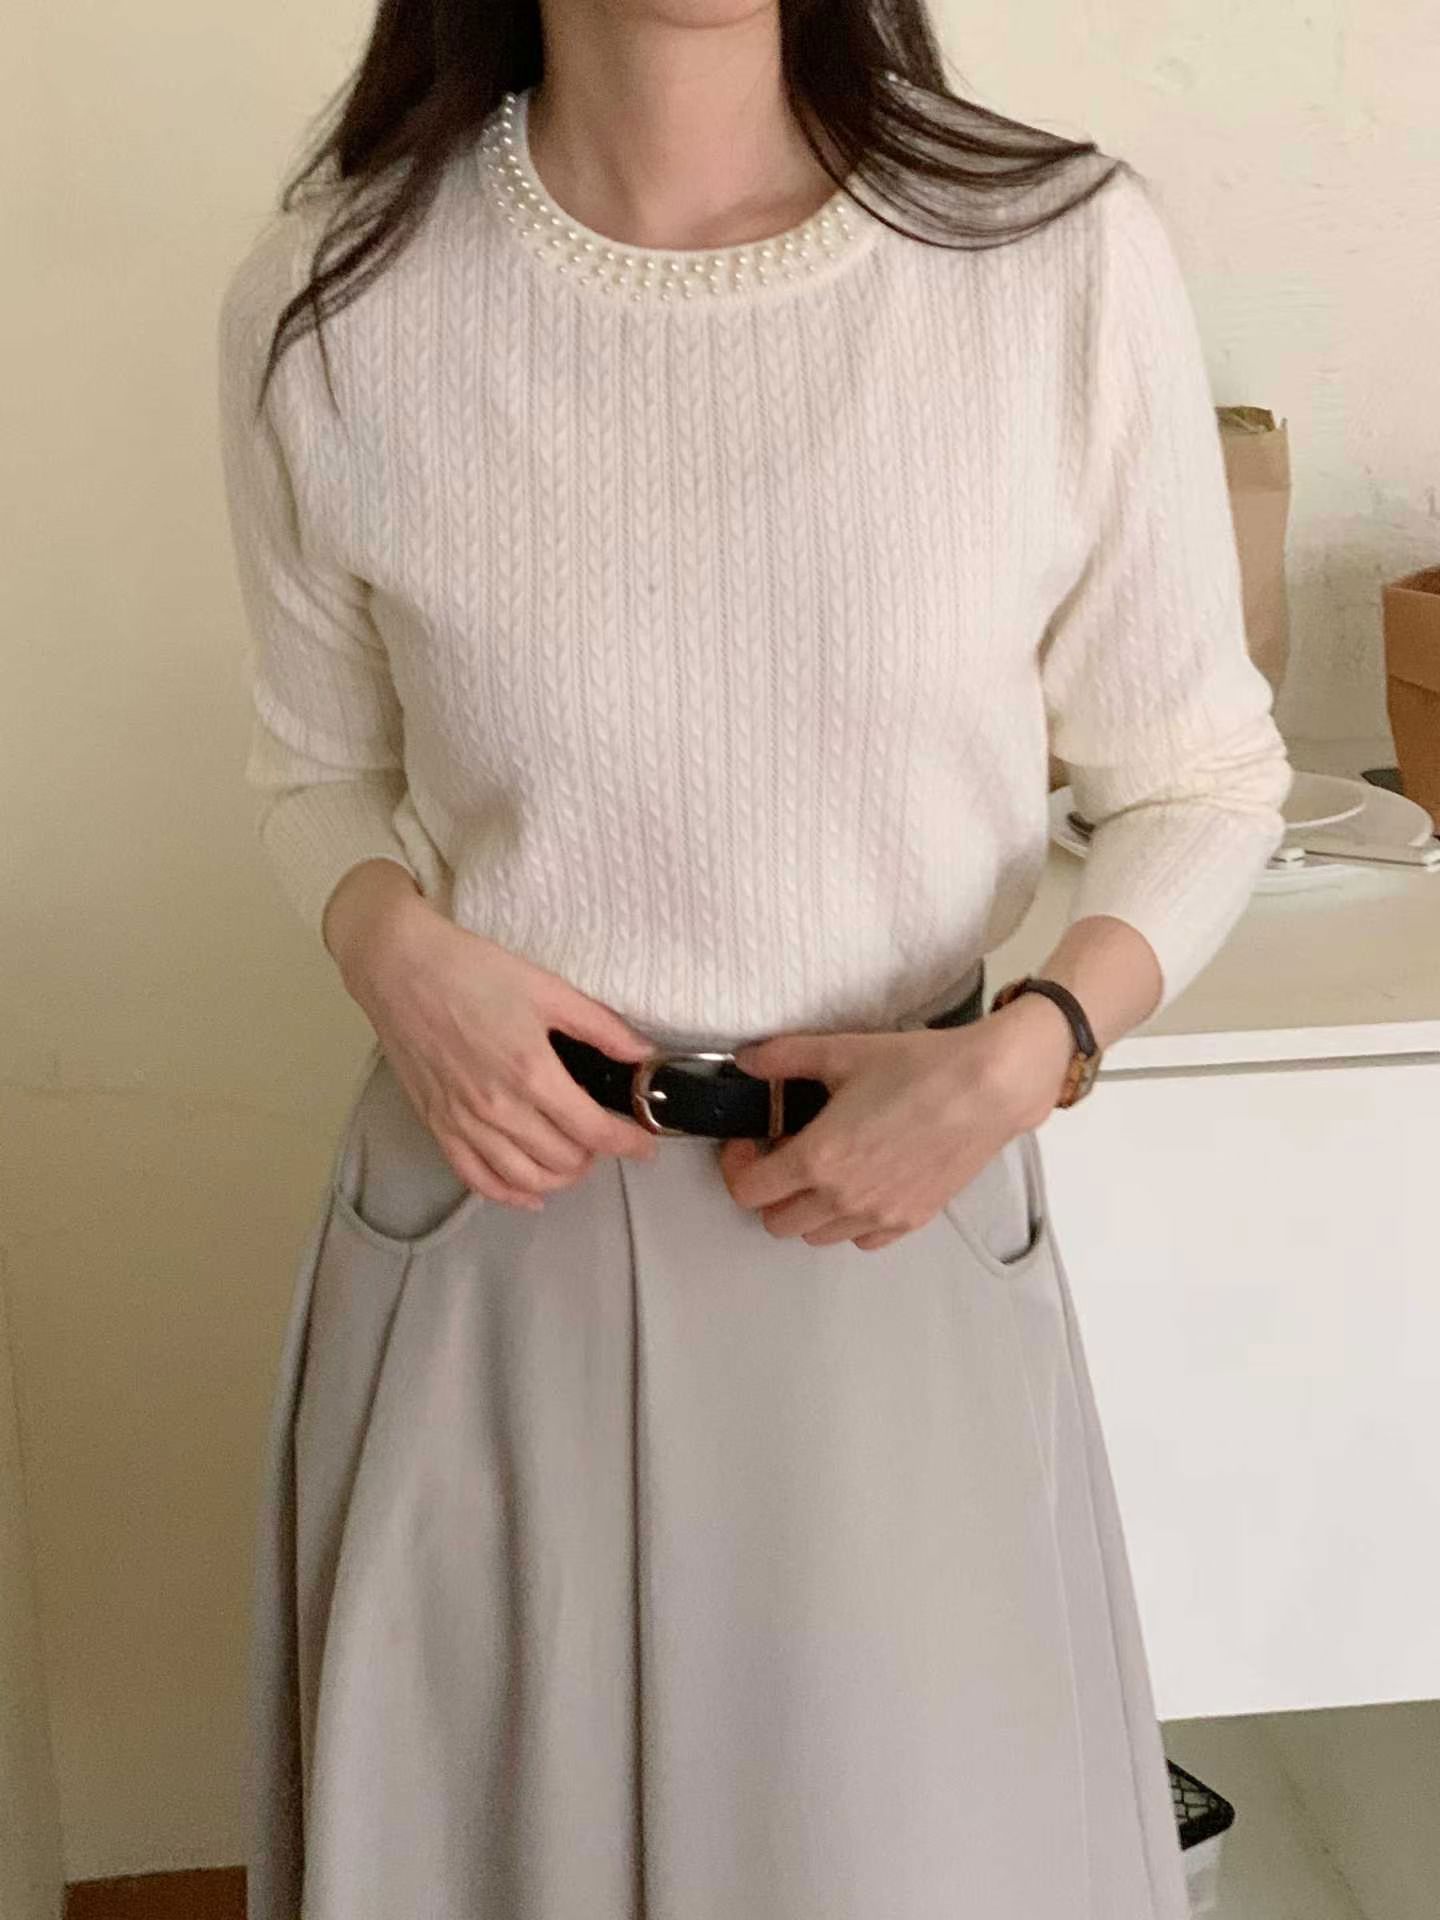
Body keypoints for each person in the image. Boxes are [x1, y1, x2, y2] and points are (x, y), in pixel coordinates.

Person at [215, 8, 1291, 1916]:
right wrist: (394, 953)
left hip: (888, 1224)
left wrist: (1029, 1051)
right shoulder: (335, 289)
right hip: (494, 1221)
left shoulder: (1050, 254)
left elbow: (1202, 778)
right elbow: (316, 772)